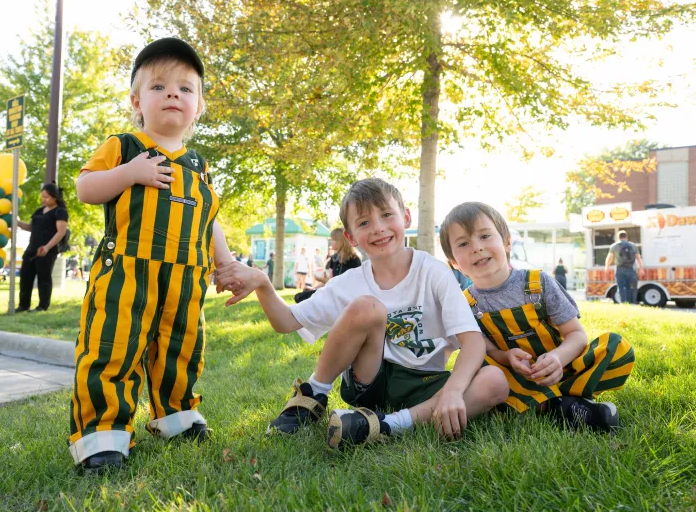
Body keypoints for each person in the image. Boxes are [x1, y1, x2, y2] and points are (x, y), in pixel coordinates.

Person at [217, 178, 509, 448]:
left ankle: (387, 425)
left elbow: (472, 342)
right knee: (366, 307)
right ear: (351, 236)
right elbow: (286, 322)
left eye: (386, 215)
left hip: (424, 383)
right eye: (365, 222)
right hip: (371, 379)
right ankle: (312, 396)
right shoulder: (351, 282)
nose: (379, 228)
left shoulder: (434, 272)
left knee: (494, 380)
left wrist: (455, 391)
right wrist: (264, 285)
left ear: (406, 217)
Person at [68, 37, 236, 473]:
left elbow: (208, 217)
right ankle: (102, 435)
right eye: (159, 87)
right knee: (113, 347)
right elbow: (86, 188)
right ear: (136, 101)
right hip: (127, 270)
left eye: (185, 88)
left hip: (186, 277)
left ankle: (176, 415)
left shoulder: (198, 165)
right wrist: (130, 173)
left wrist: (226, 262)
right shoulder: (123, 146)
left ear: (199, 106)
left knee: (181, 347)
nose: (173, 95)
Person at [440, 201, 635, 432]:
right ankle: (564, 407)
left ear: (507, 242)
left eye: (484, 236)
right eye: (463, 243)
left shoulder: (538, 282)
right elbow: (488, 352)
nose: (476, 247)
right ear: (454, 263)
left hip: (562, 371)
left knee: (615, 347)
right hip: (513, 379)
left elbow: (576, 335)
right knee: (479, 364)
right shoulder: (465, 304)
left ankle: (545, 403)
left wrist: (558, 358)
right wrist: (506, 356)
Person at [15, 183, 68, 312]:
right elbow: (30, 227)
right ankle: (23, 305)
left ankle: (42, 306)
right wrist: (16, 222)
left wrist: (47, 247)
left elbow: (61, 232)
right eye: (42, 197)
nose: (44, 199)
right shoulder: (39, 211)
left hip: (47, 251)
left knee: (44, 278)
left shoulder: (60, 212)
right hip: (31, 249)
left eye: (47, 197)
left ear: (55, 197)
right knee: (25, 277)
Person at [294, 227, 362, 303]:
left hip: (344, 296)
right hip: (331, 291)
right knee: (299, 296)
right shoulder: (334, 258)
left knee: (303, 298)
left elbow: (353, 285)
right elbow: (330, 280)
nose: (331, 242)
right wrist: (313, 288)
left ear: (341, 242)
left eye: (333, 240)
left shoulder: (354, 259)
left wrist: (324, 281)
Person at [605, 231, 644, 305]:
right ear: (626, 237)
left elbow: (610, 258)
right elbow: (638, 258)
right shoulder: (633, 245)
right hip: (631, 269)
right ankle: (631, 302)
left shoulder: (615, 246)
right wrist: (641, 269)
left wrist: (607, 266)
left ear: (618, 237)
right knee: (630, 287)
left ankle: (623, 303)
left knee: (621, 287)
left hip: (620, 269)